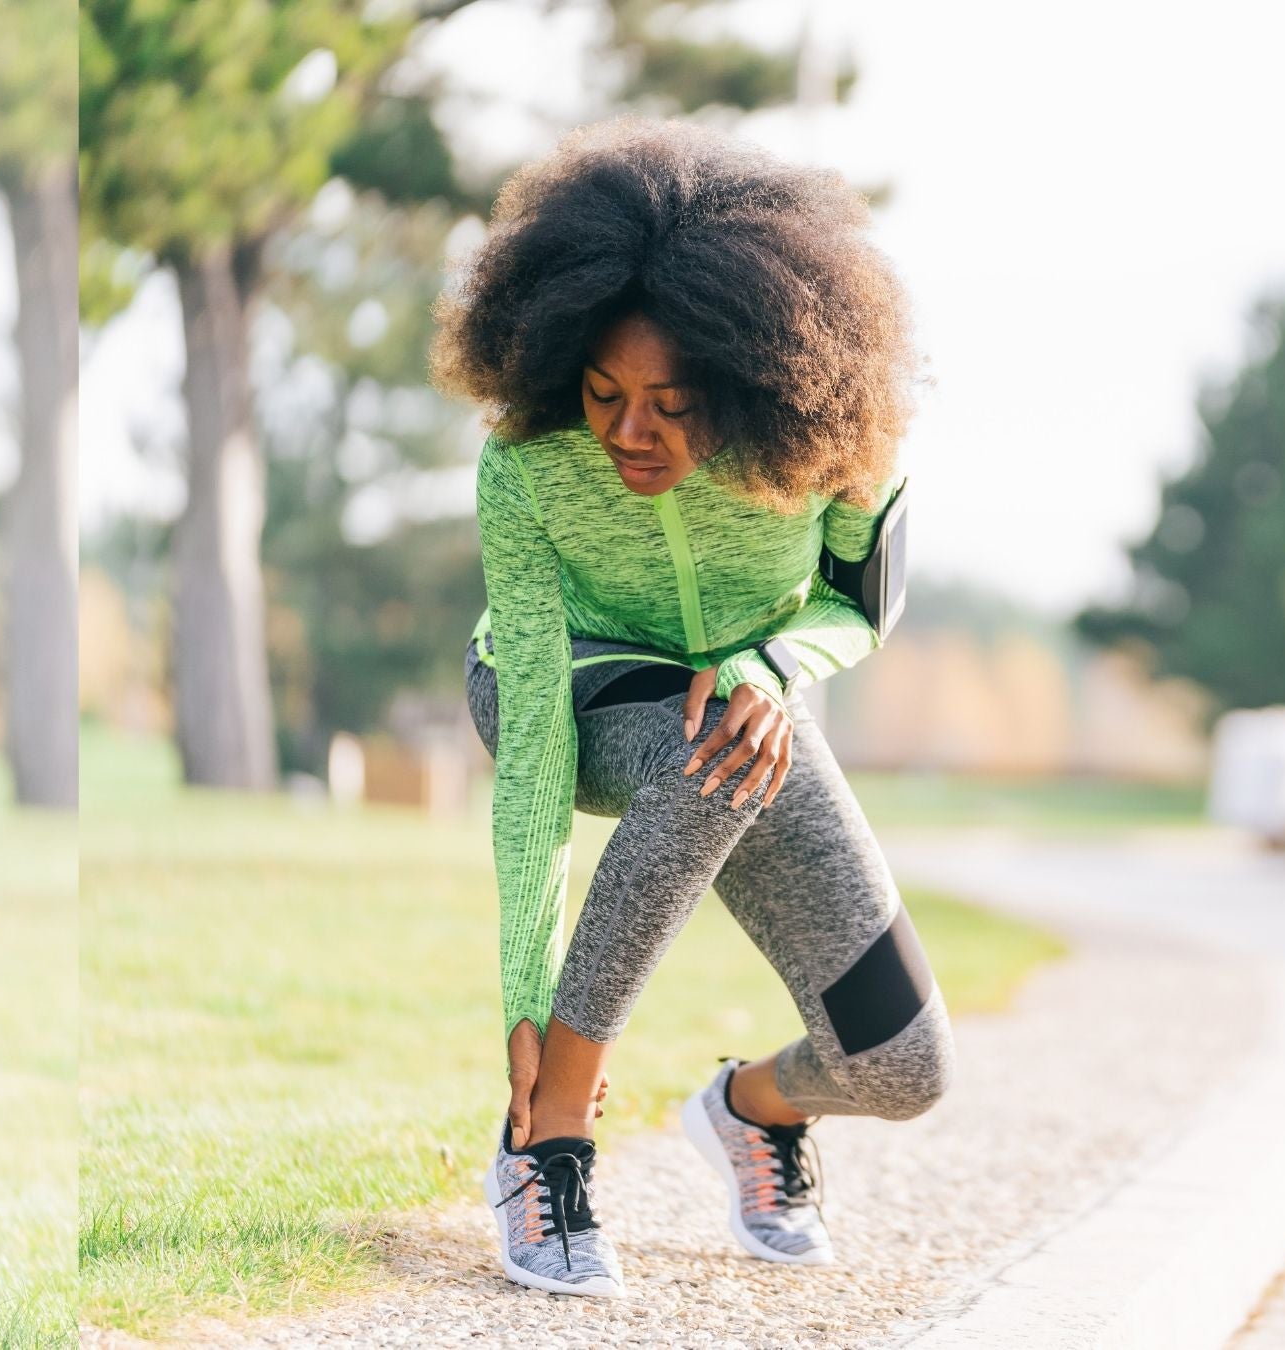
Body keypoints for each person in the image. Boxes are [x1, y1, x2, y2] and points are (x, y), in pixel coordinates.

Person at [427, 115, 949, 1299]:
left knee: (904, 1066)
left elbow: (857, 607)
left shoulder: (839, 448)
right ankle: (546, 1138)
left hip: (745, 703)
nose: (628, 434)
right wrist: (525, 995)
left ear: (747, 376)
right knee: (701, 743)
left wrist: (777, 669)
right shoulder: (530, 465)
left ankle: (752, 1111)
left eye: (668, 403)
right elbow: (534, 763)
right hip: (550, 684)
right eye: (604, 394)